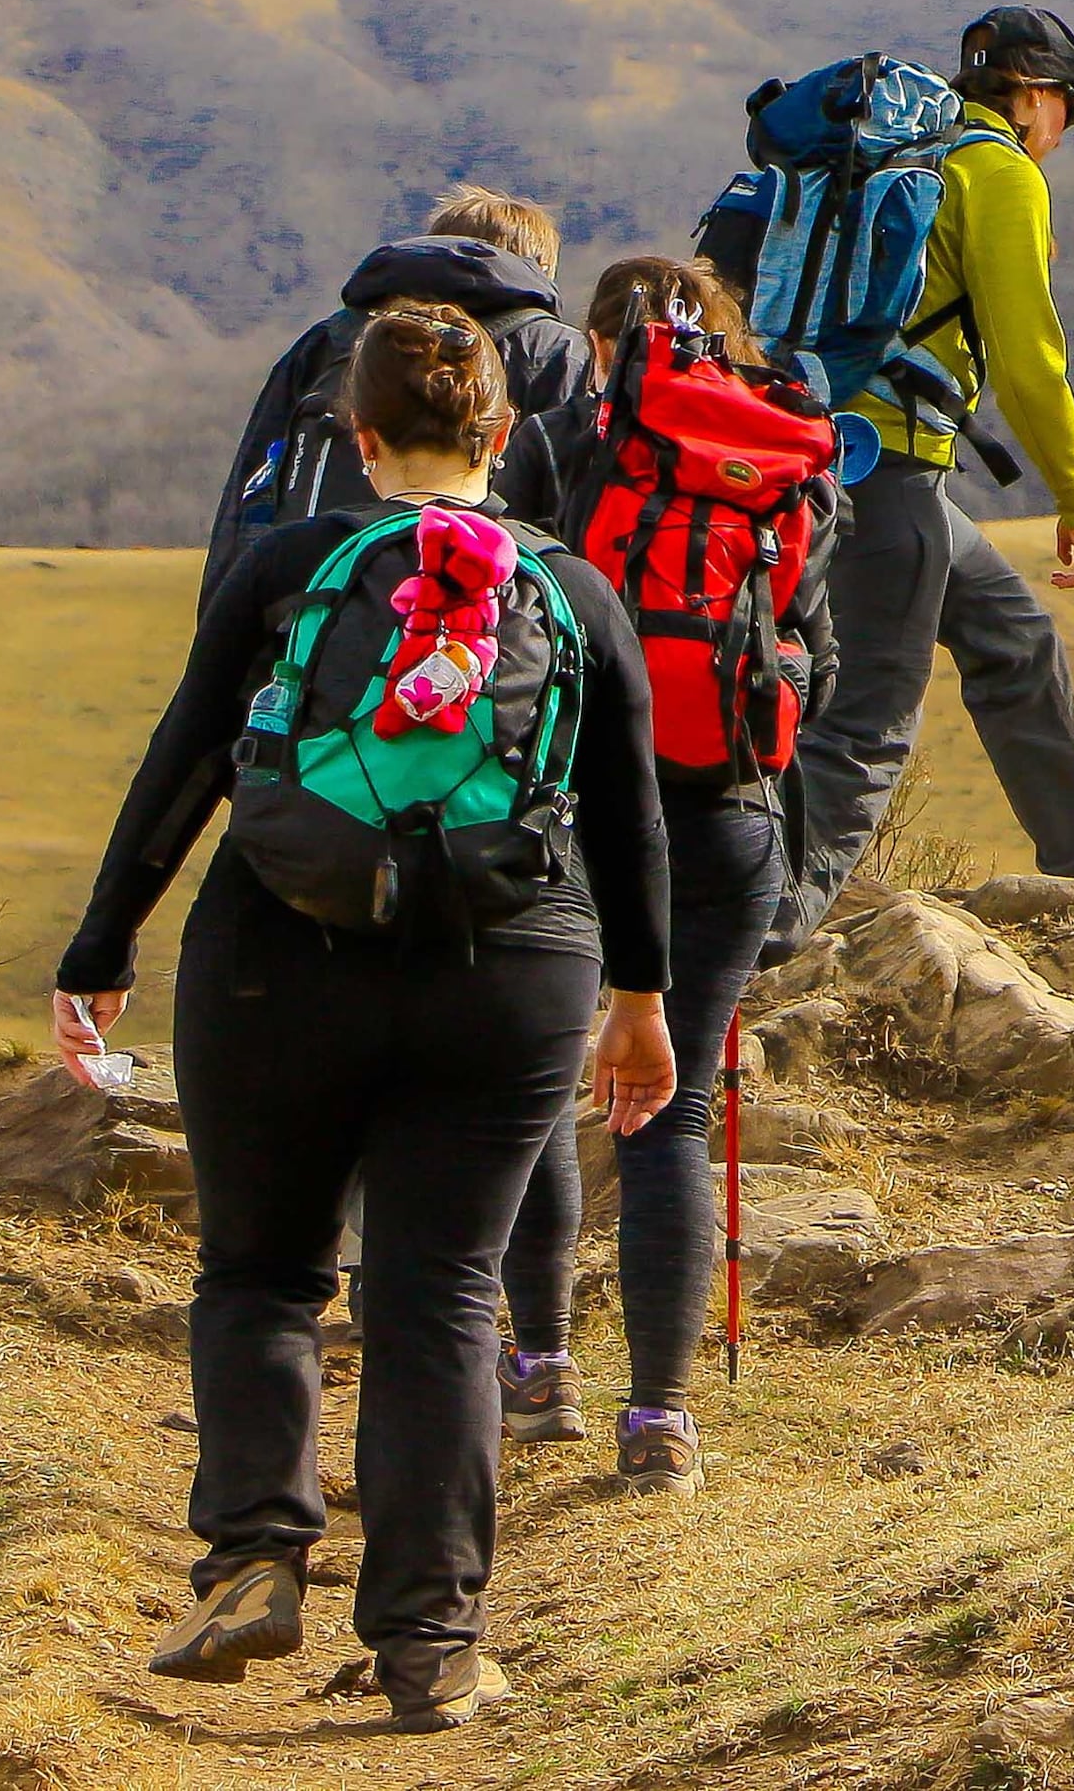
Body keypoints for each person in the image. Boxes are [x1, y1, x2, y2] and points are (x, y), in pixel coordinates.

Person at [58, 299, 674, 1735]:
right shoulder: (574, 592)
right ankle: (431, 1644)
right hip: (510, 970)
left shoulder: (287, 565)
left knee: (264, 1273)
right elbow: (633, 815)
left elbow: (187, 757)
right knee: (443, 1296)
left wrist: (103, 942)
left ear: (357, 432)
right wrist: (640, 998)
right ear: (505, 432)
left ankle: (252, 1561)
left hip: (278, 956)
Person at [489, 257, 821, 1492]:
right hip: (730, 824)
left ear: (596, 341)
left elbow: (504, 628)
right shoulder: (782, 463)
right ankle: (662, 1421)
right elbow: (813, 662)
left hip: (572, 819)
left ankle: (539, 1369)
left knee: (543, 1089)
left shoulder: (569, 443)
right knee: (671, 1106)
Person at [783, 4, 1074, 941]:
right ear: (1034, 96)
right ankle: (758, 937)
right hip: (887, 470)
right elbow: (1029, 358)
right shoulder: (996, 172)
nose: (1064, 131)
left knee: (1014, 642)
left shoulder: (899, 157)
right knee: (864, 729)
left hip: (823, 454)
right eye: (1066, 107)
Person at [203, 186, 593, 598]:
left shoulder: (327, 343)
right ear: (540, 269)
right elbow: (578, 508)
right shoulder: (555, 353)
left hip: (314, 621)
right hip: (487, 628)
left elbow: (249, 500)